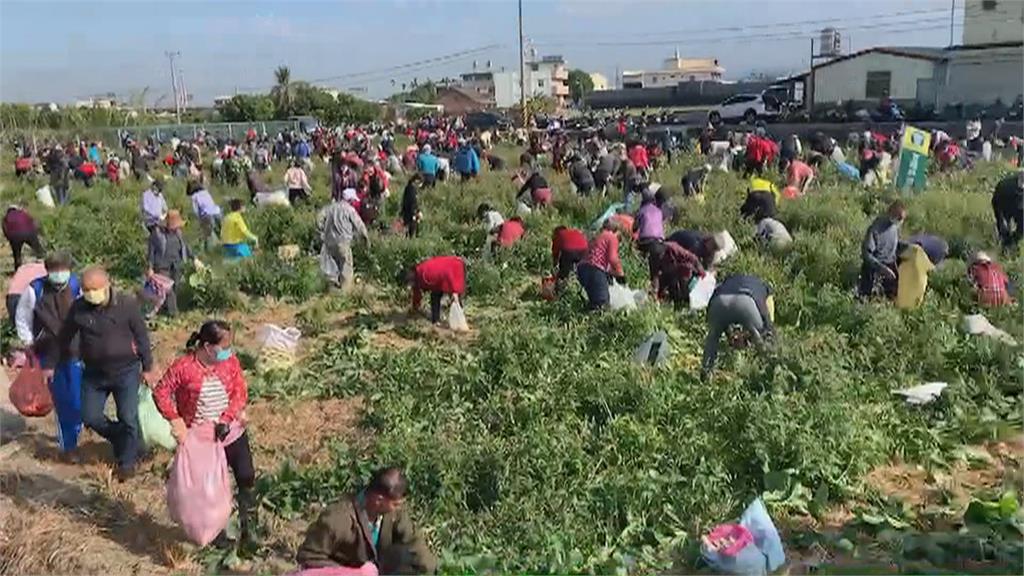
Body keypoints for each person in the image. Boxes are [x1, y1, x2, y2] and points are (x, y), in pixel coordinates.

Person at [153, 320, 257, 548]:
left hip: (230, 431)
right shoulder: (184, 368)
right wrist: (175, 419)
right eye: (224, 346)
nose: (228, 351)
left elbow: (240, 390)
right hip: (202, 441)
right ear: (208, 347)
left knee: (246, 475)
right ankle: (215, 533)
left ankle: (248, 526)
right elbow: (161, 392)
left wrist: (228, 418)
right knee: (208, 491)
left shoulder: (230, 362)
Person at [49, 266, 155, 480]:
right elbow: (65, 335)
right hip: (95, 374)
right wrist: (54, 360)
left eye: (95, 289)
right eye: (87, 290)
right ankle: (122, 439)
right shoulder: (79, 308)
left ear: (107, 285)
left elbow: (142, 337)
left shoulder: (126, 305)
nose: (91, 294)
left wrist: (149, 367)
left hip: (126, 371)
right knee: (90, 416)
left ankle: (127, 463)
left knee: (128, 417)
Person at [297, 467, 438, 574]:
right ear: (379, 500)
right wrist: (350, 573)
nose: (398, 508)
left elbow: (413, 541)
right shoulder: (338, 519)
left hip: (375, 569)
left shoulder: (393, 514)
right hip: (343, 571)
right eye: (395, 504)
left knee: (403, 557)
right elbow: (308, 556)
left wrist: (435, 570)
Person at [701, 274, 774, 377]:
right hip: (746, 303)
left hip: (719, 301)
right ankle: (767, 373)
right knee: (761, 337)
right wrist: (768, 331)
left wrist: (729, 334)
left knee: (713, 336)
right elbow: (767, 316)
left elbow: (715, 297)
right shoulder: (765, 289)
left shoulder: (727, 282)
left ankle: (705, 374)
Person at [317, 194, 370, 290]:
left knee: (332, 268)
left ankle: (330, 290)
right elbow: (359, 225)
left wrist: (321, 231)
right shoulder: (349, 210)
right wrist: (366, 238)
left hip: (329, 243)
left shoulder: (330, 208)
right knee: (346, 267)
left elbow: (319, 219)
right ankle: (344, 293)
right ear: (350, 200)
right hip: (343, 242)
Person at [147, 210, 191, 317]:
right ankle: (173, 313)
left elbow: (186, 247)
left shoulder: (179, 233)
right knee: (168, 289)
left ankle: (165, 308)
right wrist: (150, 267)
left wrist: (194, 259)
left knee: (175, 287)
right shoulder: (157, 234)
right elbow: (151, 251)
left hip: (176, 264)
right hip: (162, 265)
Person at [859, 201, 905, 299]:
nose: (900, 221)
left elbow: (894, 245)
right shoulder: (876, 228)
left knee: (892, 297)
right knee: (868, 298)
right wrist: (881, 268)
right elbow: (866, 254)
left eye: (902, 219)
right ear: (891, 213)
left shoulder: (894, 227)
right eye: (899, 218)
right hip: (874, 268)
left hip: (889, 264)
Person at [577, 219, 624, 311]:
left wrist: (612, 273)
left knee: (593, 302)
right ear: (616, 230)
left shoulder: (597, 236)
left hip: (582, 269)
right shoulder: (611, 237)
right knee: (602, 305)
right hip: (594, 270)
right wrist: (620, 273)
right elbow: (613, 258)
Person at [404, 256, 466, 324]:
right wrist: (415, 307)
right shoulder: (419, 273)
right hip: (442, 276)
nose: (411, 285)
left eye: (410, 282)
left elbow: (448, 274)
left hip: (452, 270)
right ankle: (436, 320)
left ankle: (457, 318)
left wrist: (454, 291)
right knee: (435, 295)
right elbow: (417, 293)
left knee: (453, 298)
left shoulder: (424, 274)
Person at [651, 241, 705, 308]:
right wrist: (655, 291)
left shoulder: (673, 248)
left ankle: (685, 300)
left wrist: (701, 271)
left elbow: (692, 258)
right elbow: (655, 276)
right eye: (658, 257)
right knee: (669, 287)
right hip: (668, 270)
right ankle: (674, 300)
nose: (660, 258)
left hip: (682, 266)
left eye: (661, 256)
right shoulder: (654, 258)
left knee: (683, 283)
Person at [3, 205, 44, 271]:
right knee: (39, 250)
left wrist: (10, 239)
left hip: (15, 236)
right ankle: (44, 263)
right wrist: (36, 234)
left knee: (17, 255)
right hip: (29, 233)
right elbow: (33, 222)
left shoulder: (6, 217)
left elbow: (5, 229)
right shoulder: (23, 213)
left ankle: (18, 270)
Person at [7, 257, 46, 325]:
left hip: (11, 297)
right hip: (26, 297)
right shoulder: (44, 269)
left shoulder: (22, 268)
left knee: (16, 325)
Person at [551, 226, 589, 292]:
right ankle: (583, 287)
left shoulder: (559, 234)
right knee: (582, 270)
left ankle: (560, 289)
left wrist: (555, 264)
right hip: (584, 250)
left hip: (569, 251)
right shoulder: (575, 231)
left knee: (564, 270)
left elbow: (555, 252)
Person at [187, 179, 222, 251]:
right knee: (220, 232)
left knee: (208, 235)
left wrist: (199, 220)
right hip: (217, 212)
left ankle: (210, 251)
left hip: (206, 215)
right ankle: (222, 247)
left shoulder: (194, 196)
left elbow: (195, 210)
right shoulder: (206, 192)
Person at [992, 171, 1023, 248]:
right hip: (1002, 202)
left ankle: (1011, 243)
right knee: (1004, 229)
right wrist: (1002, 220)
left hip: (1016, 205)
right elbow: (996, 203)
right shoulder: (1005, 187)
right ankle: (1006, 246)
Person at [401, 174, 422, 239]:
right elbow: (412, 202)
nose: (420, 186)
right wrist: (415, 213)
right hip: (410, 213)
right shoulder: (411, 190)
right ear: (416, 181)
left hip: (407, 212)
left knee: (409, 230)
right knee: (411, 230)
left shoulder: (409, 187)